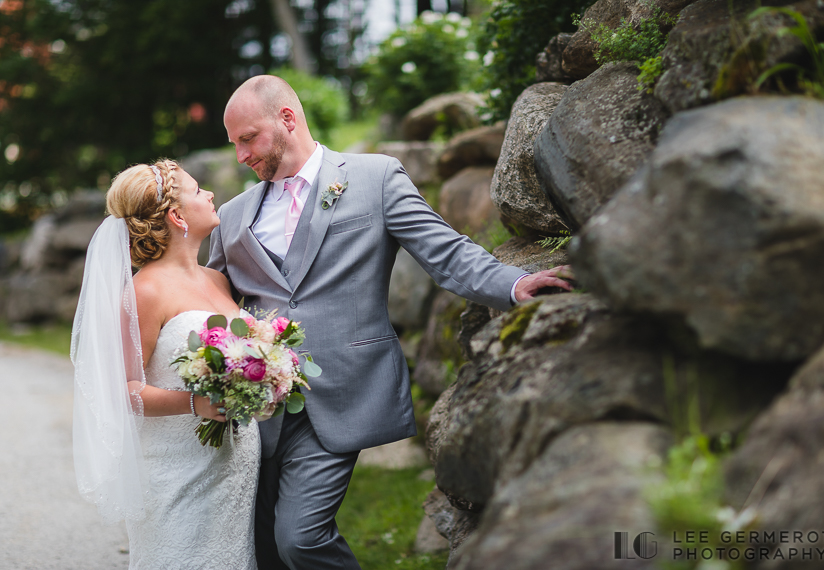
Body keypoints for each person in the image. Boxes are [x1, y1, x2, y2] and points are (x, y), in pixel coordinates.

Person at [210, 75, 573, 570]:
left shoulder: (375, 177)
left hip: (342, 388)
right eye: (234, 145)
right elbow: (206, 297)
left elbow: (445, 251)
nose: (240, 156)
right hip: (255, 409)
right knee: (263, 548)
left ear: (287, 120)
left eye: (247, 139)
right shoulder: (233, 216)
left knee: (301, 539)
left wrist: (513, 285)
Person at [71, 159, 261, 569]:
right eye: (197, 190)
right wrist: (195, 404)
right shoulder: (145, 292)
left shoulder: (218, 280)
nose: (209, 194)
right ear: (177, 216)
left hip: (236, 462)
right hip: (178, 470)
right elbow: (123, 390)